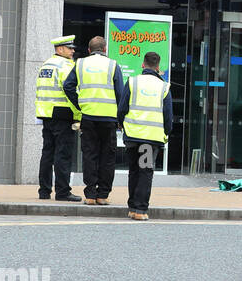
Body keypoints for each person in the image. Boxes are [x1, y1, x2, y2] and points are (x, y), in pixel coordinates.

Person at [64, 36, 127, 206]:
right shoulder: (113, 65)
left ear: (89, 50)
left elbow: (67, 86)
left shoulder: (80, 64)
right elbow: (120, 94)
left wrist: (79, 104)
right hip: (108, 119)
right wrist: (121, 119)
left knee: (90, 155)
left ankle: (90, 194)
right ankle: (103, 195)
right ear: (105, 49)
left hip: (88, 117)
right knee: (107, 156)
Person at [119, 52, 173, 221]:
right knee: (145, 172)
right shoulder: (164, 87)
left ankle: (132, 207)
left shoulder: (132, 82)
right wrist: (166, 132)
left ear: (143, 65)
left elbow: (122, 108)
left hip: (132, 137)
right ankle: (140, 210)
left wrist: (122, 124)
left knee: (134, 171)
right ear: (158, 67)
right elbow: (168, 115)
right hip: (149, 139)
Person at [35, 35, 83, 202]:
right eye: (70, 48)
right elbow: (71, 91)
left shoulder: (46, 65)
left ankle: (44, 191)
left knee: (47, 153)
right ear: (60, 49)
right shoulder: (67, 65)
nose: (73, 51)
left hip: (47, 114)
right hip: (63, 114)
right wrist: (79, 112)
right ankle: (63, 192)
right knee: (63, 154)